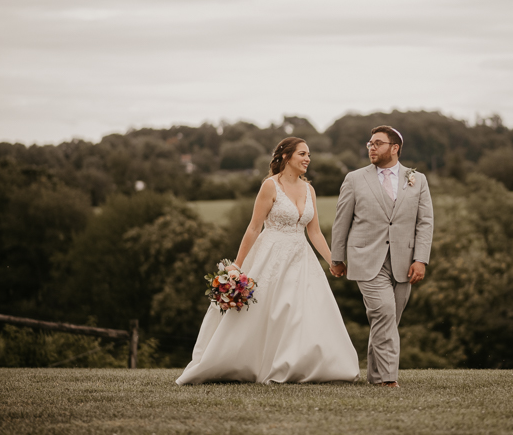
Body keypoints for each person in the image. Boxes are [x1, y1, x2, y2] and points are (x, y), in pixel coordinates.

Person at [176, 137, 360, 385]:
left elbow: (314, 232)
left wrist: (333, 261)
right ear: (286, 156)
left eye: (309, 155)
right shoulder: (270, 186)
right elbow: (254, 227)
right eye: (302, 154)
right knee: (270, 310)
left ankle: (297, 364)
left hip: (301, 256)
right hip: (271, 254)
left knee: (302, 311)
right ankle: (253, 362)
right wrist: (237, 266)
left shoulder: (310, 190)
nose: (307, 159)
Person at [331, 125, 434, 388]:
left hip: (404, 261)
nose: (371, 147)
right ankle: (389, 380)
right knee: (384, 313)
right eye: (369, 143)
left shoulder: (417, 179)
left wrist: (421, 259)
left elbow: (425, 223)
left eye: (377, 143)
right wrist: (337, 257)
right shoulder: (354, 179)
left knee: (386, 320)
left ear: (395, 148)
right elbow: (342, 220)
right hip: (366, 258)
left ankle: (375, 377)